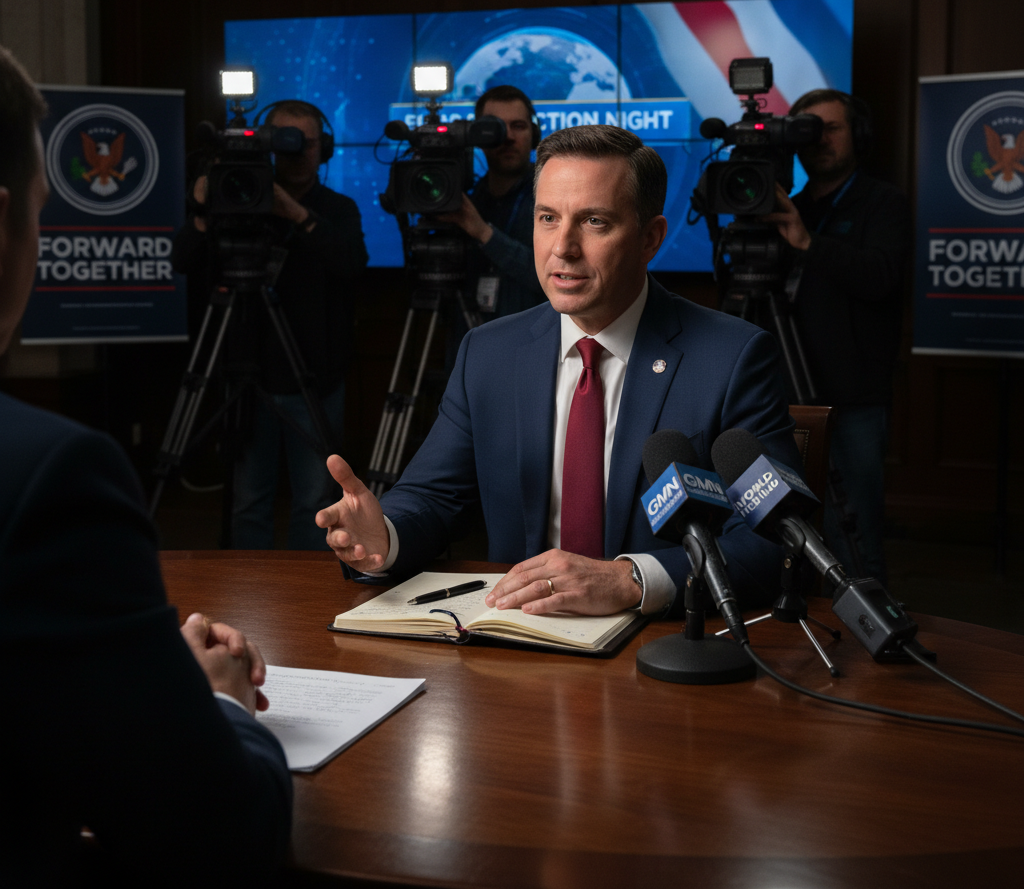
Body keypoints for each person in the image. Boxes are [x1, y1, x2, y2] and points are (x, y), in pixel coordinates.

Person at [0, 44, 291, 885]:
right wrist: (219, 704)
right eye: (42, 208)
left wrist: (121, 649)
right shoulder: (50, 476)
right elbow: (220, 838)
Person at [318, 124, 802, 618]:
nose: (563, 247)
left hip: (662, 646)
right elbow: (432, 496)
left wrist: (632, 579)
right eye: (548, 217)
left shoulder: (732, 357)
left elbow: (772, 544)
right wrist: (386, 535)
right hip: (520, 640)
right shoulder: (488, 353)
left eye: (594, 221)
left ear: (650, 238)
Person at [172, 99, 369, 550]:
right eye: (285, 143)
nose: (297, 153)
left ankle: (305, 596)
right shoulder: (234, 198)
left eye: (307, 143)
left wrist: (295, 215)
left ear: (326, 149)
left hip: (315, 378)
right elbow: (182, 259)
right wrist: (204, 209)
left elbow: (351, 264)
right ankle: (249, 597)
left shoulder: (337, 207)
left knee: (315, 501)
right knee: (248, 499)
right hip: (247, 371)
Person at [767, 89, 911, 584]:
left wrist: (808, 244)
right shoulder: (789, 205)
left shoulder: (883, 202)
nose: (820, 139)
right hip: (785, 395)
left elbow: (880, 277)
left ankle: (874, 629)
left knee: (854, 535)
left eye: (832, 127)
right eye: (808, 129)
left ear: (859, 135)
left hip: (852, 398)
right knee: (786, 527)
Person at [437, 85, 546, 366]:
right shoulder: (465, 201)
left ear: (534, 135)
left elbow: (552, 277)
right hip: (470, 355)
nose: (508, 137)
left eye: (518, 126)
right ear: (479, 136)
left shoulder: (553, 199)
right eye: (496, 127)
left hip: (533, 357)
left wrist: (483, 233)